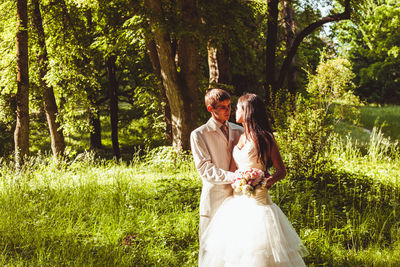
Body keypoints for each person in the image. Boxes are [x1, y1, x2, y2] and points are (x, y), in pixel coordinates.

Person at [199, 93, 308, 267]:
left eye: (237, 108)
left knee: (259, 250)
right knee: (236, 249)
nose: (233, 110)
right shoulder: (240, 136)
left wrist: (263, 182)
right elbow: (234, 168)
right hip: (237, 200)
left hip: (258, 201)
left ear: (247, 111)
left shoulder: (265, 137)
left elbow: (281, 171)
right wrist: (238, 180)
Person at [190, 89, 244, 265]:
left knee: (236, 247)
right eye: (222, 107)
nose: (227, 110)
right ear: (210, 108)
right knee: (210, 250)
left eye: (229, 106)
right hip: (214, 198)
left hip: (238, 197)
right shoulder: (199, 134)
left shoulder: (239, 130)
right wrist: (236, 176)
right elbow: (205, 169)